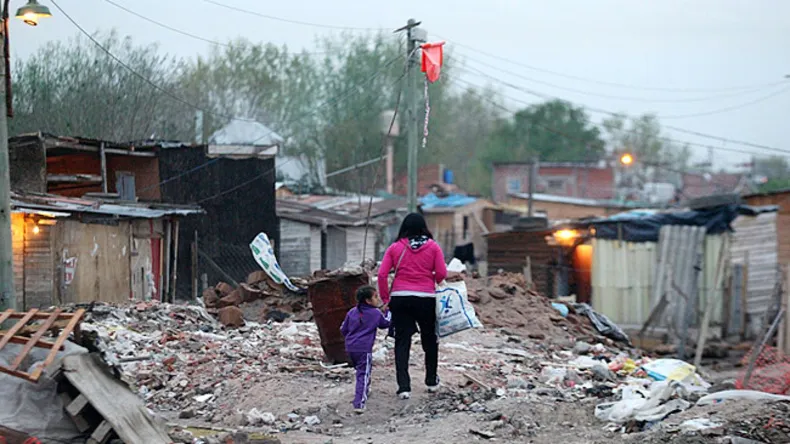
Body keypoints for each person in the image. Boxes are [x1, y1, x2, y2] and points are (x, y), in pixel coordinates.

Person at [377, 213, 447, 400]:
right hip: (426, 298)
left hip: (400, 298)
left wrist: (385, 299)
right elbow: (441, 273)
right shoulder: (433, 247)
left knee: (402, 341)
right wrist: (430, 279)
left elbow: (382, 274)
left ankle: (404, 387)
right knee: (430, 339)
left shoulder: (395, 247)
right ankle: (431, 381)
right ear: (424, 227)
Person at [340, 285, 391, 413]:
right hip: (364, 348)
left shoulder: (352, 312)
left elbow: (343, 329)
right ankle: (359, 403)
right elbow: (385, 324)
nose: (377, 299)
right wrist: (389, 312)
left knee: (361, 371)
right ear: (368, 300)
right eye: (375, 297)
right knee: (363, 374)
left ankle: (364, 391)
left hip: (350, 347)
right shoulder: (375, 313)